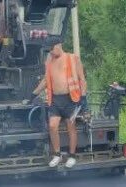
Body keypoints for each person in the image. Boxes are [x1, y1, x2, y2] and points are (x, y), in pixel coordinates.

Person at [28, 40, 88, 168]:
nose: (51, 51)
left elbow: (82, 79)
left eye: (52, 48)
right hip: (55, 100)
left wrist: (83, 98)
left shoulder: (73, 58)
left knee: (70, 127)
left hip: (71, 99)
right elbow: (45, 80)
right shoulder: (49, 62)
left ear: (59, 45)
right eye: (49, 50)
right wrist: (33, 94)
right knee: (52, 126)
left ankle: (72, 156)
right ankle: (57, 154)